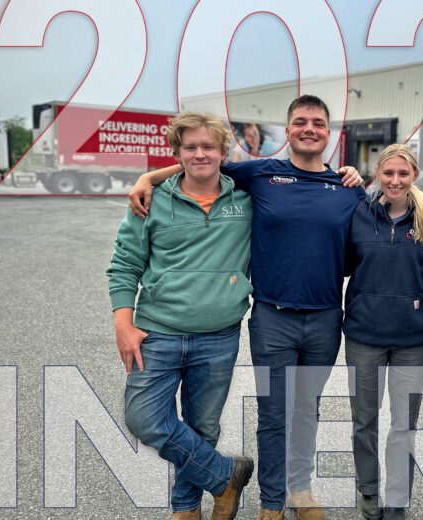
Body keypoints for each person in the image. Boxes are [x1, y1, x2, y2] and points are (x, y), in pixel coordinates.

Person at [128, 95, 364, 520]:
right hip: (273, 317)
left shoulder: (348, 188)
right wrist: (149, 176)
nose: (309, 128)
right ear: (288, 130)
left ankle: (301, 492)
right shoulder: (263, 174)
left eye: (318, 123)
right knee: (274, 413)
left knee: (305, 408)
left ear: (330, 133)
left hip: (327, 318)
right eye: (299, 122)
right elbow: (202, 164)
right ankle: (271, 502)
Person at [107, 112, 256, 520]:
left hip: (219, 335)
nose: (199, 154)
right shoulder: (151, 200)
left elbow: (293, 175)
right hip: (157, 333)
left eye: (208, 146)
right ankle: (226, 476)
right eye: (189, 147)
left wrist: (347, 173)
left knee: (202, 428)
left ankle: (185, 510)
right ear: (177, 153)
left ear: (223, 151)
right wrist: (124, 323)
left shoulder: (246, 198)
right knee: (143, 418)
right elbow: (124, 265)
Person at [343, 144, 423, 520]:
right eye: (389, 173)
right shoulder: (361, 213)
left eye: (403, 174)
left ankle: (398, 498)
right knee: (364, 421)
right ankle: (368, 492)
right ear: (378, 175)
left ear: (413, 175)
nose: (396, 180)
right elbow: (346, 263)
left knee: (404, 424)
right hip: (363, 334)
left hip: (413, 339)